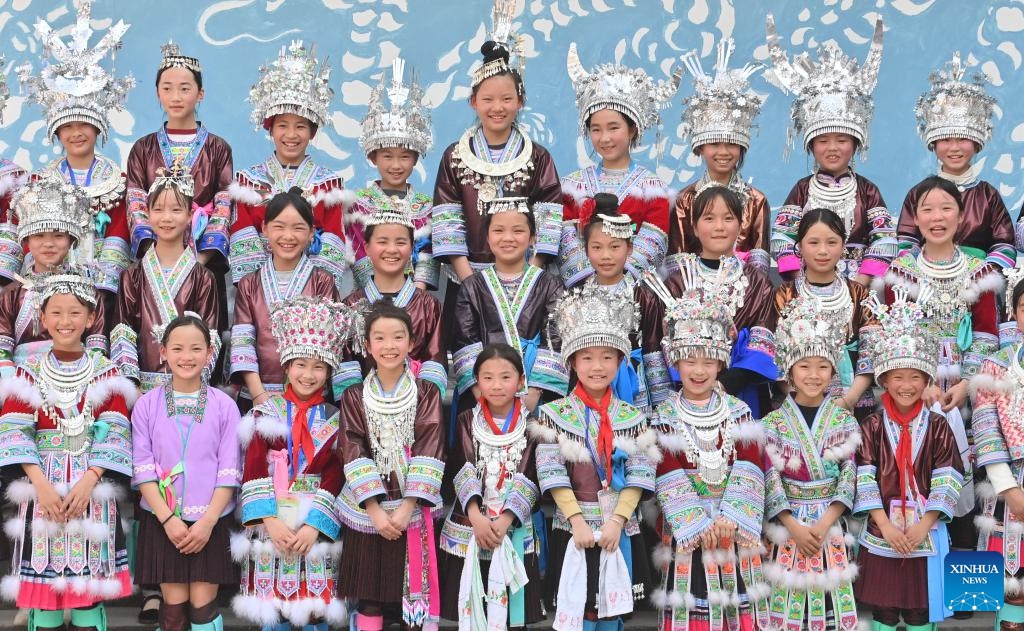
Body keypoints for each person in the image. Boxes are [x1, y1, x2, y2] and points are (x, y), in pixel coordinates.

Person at [0, 266, 136, 631]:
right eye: (56, 312)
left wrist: (90, 480)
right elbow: (14, 433)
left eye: (75, 312)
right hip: (40, 490)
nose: (65, 321)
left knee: (86, 599)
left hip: (89, 493)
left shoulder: (105, 372)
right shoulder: (25, 373)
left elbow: (116, 433)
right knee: (43, 602)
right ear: (42, 318)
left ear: (91, 317)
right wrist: (40, 486)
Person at [644, 263, 772, 631]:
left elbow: (749, 464)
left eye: (707, 362)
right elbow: (665, 470)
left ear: (720, 364)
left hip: (733, 530)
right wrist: (698, 523)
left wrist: (729, 518)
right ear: (676, 363)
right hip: (689, 532)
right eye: (689, 361)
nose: (698, 371)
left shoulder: (740, 411)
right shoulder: (664, 415)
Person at [884, 176, 1002, 566]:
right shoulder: (900, 272)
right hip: (913, 390)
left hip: (967, 391)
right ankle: (918, 583)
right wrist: (923, 385)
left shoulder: (980, 271)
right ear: (914, 219)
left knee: (973, 484)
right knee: (917, 477)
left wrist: (967, 385)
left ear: (961, 214)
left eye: (946, 208)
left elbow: (986, 336)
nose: (937, 217)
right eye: (927, 210)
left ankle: (966, 590)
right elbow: (894, 335)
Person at [529, 282, 659, 629]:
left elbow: (641, 474)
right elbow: (550, 471)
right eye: (586, 357)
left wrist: (617, 521)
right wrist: (576, 521)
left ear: (620, 361)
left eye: (606, 357)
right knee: (578, 610)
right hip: (574, 528)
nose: (596, 366)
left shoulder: (633, 418)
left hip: (619, 527)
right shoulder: (554, 415)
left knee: (612, 613)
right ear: (572, 362)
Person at [432, 0, 561, 349]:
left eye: (506, 99)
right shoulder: (455, 157)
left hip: (527, 281)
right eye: (488, 99)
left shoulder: (537, 157)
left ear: (520, 101)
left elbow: (549, 219)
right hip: (468, 280)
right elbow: (446, 221)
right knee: (472, 357)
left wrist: (530, 276)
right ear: (473, 102)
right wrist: (470, 280)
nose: (497, 107)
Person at [233, 297, 357, 631]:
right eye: (300, 364)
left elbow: (335, 475)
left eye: (318, 367)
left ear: (329, 372)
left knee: (314, 607)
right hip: (271, 520)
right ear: (286, 367)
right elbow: (254, 468)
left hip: (313, 523)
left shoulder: (337, 420)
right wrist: (269, 520)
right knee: (274, 608)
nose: (308, 374)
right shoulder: (265, 414)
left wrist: (314, 525)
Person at [853, 288, 965, 630]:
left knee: (920, 610)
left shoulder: (938, 425)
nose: (906, 385)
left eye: (915, 376)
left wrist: (923, 524)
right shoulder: (871, 425)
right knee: (885, 609)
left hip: (924, 532)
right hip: (882, 530)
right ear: (884, 379)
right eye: (898, 376)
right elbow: (863, 476)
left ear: (927, 379)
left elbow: (949, 476)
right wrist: (885, 525)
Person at [336, 302, 445, 631]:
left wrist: (408, 506)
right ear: (367, 345)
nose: (389, 346)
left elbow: (431, 442)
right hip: (370, 512)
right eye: (379, 338)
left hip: (412, 509)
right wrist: (374, 509)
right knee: (369, 596)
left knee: (413, 596)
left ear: (411, 343)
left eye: (398, 337)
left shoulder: (426, 393)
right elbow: (352, 447)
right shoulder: (354, 396)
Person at [765, 15, 896, 286]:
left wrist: (863, 279)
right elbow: (781, 238)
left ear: (856, 144)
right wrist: (799, 278)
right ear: (811, 145)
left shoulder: (867, 191)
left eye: (842, 140)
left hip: (861, 286)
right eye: (823, 140)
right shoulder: (802, 189)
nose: (833, 148)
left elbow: (884, 240)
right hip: (807, 285)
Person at [12, 2, 133, 295]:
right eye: (67, 126)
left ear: (99, 128)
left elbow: (118, 234)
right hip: (49, 286)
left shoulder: (118, 183)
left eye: (84, 125)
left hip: (104, 286)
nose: (76, 133)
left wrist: (102, 283)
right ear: (56, 132)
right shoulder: (39, 183)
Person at [131, 314, 240, 631]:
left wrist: (207, 522)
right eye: (177, 348)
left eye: (196, 349)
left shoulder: (224, 406)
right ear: (163, 352)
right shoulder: (147, 405)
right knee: (173, 610)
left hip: (211, 521)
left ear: (209, 354)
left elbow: (229, 471)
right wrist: (167, 519)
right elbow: (142, 468)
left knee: (203, 610)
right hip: (164, 520)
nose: (186, 357)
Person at [761, 295, 861, 631]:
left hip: (828, 526)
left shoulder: (844, 420)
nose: (813, 375)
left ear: (834, 370)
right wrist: (793, 525)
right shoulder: (772, 423)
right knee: (787, 609)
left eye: (822, 366)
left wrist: (822, 524)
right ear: (790, 370)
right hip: (789, 527)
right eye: (804, 366)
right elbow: (770, 480)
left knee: (829, 607)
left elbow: (849, 476)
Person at [126, 42, 232, 339]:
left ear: (200, 94)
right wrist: (153, 252)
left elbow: (223, 204)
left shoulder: (218, 148)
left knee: (203, 338)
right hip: (153, 264)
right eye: (167, 88)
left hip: (202, 264)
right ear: (157, 92)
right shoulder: (143, 148)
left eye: (185, 88)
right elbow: (135, 200)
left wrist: (197, 263)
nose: (176, 97)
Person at [229, 41, 351, 289]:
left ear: (313, 132)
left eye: (301, 126)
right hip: (260, 287)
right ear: (270, 129)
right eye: (283, 125)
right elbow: (243, 234)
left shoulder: (329, 185)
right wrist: (259, 288)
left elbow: (333, 240)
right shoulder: (247, 182)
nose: (291, 135)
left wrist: (315, 287)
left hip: (313, 289)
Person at [439, 344, 542, 630]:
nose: (496, 385)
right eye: (487, 377)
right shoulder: (465, 420)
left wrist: (506, 519)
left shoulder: (533, 426)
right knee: (471, 610)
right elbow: (462, 467)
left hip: (513, 528)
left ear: (521, 381)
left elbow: (530, 474)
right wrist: (476, 516)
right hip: (470, 526)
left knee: (512, 617)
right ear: (477, 380)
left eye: (505, 377)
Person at [559, 43, 678, 279]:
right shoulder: (572, 186)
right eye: (596, 129)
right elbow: (565, 238)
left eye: (614, 128)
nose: (604, 138)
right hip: (581, 289)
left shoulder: (652, 189)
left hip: (632, 289)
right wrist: (590, 279)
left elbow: (652, 242)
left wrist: (619, 279)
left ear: (633, 130)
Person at [666, 186, 776, 417]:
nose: (719, 227)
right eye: (709, 218)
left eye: (728, 218)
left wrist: (727, 383)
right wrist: (696, 377)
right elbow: (666, 341)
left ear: (740, 225)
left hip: (743, 391)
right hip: (690, 389)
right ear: (695, 227)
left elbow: (763, 339)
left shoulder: (757, 282)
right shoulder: (678, 282)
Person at [452, 198, 567, 419]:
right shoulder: (472, 286)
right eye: (498, 230)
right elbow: (464, 339)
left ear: (533, 237)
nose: (507, 238)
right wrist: (481, 393)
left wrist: (534, 392)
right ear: (487, 237)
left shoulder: (550, 284)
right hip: (484, 393)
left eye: (518, 230)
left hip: (536, 392)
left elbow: (555, 337)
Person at [899, 53, 1015, 270]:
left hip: (979, 283)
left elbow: (1004, 243)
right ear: (933, 144)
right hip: (927, 280)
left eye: (962, 139)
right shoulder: (918, 193)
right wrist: (921, 270)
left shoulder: (988, 195)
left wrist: (981, 273)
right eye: (945, 140)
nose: (954, 148)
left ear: (976, 143)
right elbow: (906, 240)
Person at [111, 162, 221, 393]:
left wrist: (193, 385)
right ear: (147, 214)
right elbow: (123, 332)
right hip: (143, 390)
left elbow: (210, 336)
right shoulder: (132, 275)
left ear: (191, 214)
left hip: (191, 388)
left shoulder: (204, 277)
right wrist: (133, 387)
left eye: (176, 210)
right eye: (158, 209)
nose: (167, 218)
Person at [558, 193, 670, 412]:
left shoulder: (643, 295)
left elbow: (652, 348)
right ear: (586, 250)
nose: (606, 256)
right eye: (597, 247)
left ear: (629, 250)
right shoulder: (577, 295)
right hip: (589, 383)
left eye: (615, 247)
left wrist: (661, 405)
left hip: (633, 385)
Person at [230, 189, 340, 410]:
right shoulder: (249, 283)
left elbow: (330, 345)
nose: (288, 236)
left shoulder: (322, 281)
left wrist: (306, 390)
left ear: (311, 233)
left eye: (298, 228)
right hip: (257, 395)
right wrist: (258, 394)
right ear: (264, 229)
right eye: (279, 226)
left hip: (310, 395)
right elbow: (243, 343)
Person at [336, 183, 445, 398]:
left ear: (412, 248)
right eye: (382, 242)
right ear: (366, 248)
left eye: (401, 242)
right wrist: (361, 409)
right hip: (361, 412)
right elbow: (346, 369)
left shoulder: (429, 306)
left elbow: (434, 364)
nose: (392, 250)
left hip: (416, 411)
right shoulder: (349, 306)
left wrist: (415, 405)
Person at [672, 38, 771, 271]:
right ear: (700, 147)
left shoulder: (757, 200)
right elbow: (678, 261)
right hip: (694, 296)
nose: (724, 152)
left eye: (731, 144)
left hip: (745, 293)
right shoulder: (685, 199)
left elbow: (758, 263)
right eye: (714, 144)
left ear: (742, 147)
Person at [773, 208, 880, 420]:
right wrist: (801, 397)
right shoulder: (785, 294)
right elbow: (775, 353)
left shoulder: (859, 293)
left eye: (831, 242)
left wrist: (849, 398)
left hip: (852, 401)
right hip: (797, 402)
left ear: (843, 247)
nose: (823, 251)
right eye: (813, 243)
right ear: (800, 247)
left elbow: (871, 351)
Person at [347, 58, 437, 292]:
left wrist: (416, 294)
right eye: (387, 156)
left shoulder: (426, 207)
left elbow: (427, 253)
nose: (396, 165)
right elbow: (358, 251)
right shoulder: (358, 205)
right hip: (369, 296)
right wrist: (377, 295)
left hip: (415, 295)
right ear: (373, 157)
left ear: (415, 159)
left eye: (405, 156)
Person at [0, 176, 107, 373]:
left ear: (71, 240)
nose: (48, 244)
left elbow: (96, 347)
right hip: (23, 383)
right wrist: (12, 384)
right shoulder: (11, 294)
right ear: (27, 241)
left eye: (58, 235)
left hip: (76, 379)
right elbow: (2, 349)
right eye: (39, 235)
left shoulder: (88, 292)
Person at [973, 267, 1024, 630]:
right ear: (1014, 313)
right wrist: (1010, 490)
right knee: (1013, 587)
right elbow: (987, 429)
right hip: (1012, 489)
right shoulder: (995, 365)